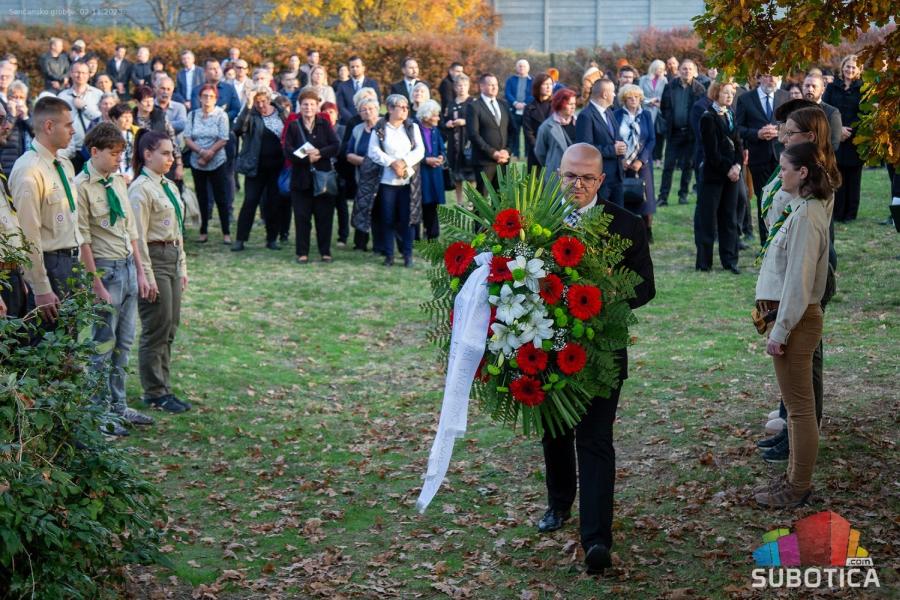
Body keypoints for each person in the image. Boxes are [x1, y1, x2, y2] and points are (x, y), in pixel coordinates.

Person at [538, 142, 655, 574]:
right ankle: (558, 503)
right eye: (571, 176)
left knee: (595, 439)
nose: (578, 185)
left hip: (602, 349)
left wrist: (608, 292)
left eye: (587, 178)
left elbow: (646, 287)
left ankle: (596, 539)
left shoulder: (625, 225)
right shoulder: (539, 222)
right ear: (559, 175)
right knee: (554, 431)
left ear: (602, 180)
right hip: (545, 348)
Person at [753, 141, 838, 508]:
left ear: (803, 173)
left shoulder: (807, 216)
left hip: (797, 319)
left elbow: (799, 282)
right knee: (796, 404)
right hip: (788, 316)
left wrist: (781, 329)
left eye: (785, 168)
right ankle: (791, 479)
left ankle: (798, 485)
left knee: (800, 410)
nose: (779, 174)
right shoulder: (799, 206)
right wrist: (780, 188)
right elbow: (771, 214)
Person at [75, 123, 154, 434]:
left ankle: (118, 405)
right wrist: (96, 284)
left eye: (122, 153)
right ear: (94, 152)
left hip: (127, 268)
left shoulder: (119, 181)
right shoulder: (81, 186)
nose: (119, 159)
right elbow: (82, 240)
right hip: (105, 271)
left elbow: (131, 231)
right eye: (114, 153)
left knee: (124, 341)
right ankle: (98, 411)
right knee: (102, 344)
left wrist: (141, 271)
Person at [128, 130, 190, 414]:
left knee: (170, 324)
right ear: (147, 154)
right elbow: (137, 238)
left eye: (172, 153)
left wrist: (183, 265)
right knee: (157, 325)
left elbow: (177, 229)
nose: (171, 158)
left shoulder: (169, 185)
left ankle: (164, 386)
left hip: (171, 255)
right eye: (165, 153)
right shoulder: (140, 189)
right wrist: (147, 275)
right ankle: (154, 391)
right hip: (153, 257)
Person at [9, 97, 82, 326]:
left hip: (69, 262)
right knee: (48, 347)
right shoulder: (29, 170)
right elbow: (27, 237)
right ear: (49, 126)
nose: (73, 130)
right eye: (68, 125)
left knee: (70, 347)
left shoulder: (64, 163)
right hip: (48, 266)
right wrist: (40, 287)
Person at [367, 94, 424, 267]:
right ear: (390, 109)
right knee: (388, 218)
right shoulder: (380, 127)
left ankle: (407, 255)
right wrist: (392, 163)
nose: (405, 110)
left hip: (407, 181)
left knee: (407, 218)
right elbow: (373, 150)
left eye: (407, 107)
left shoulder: (412, 127)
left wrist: (403, 163)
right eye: (401, 106)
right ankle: (389, 254)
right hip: (387, 182)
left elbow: (420, 150)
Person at [284, 90, 340, 264]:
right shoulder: (294, 126)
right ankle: (302, 252)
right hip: (301, 178)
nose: (308, 107)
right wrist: (305, 157)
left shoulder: (324, 123)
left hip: (322, 177)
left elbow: (336, 145)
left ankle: (325, 251)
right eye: (305, 104)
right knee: (302, 217)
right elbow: (287, 150)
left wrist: (319, 153)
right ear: (300, 107)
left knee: (324, 217)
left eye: (312, 104)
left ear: (317, 107)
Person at [736, 72, 789, 245]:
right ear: (759, 78)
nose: (771, 79)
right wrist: (756, 133)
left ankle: (783, 240)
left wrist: (779, 131)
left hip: (782, 158)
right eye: (767, 75)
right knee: (764, 200)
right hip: (758, 157)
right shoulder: (746, 99)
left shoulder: (785, 96)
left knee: (784, 198)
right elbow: (738, 128)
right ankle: (766, 244)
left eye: (774, 75)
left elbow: (793, 123)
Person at [696, 82, 743, 273]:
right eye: (726, 92)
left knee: (729, 218)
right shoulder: (708, 117)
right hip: (713, 176)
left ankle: (730, 261)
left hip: (732, 175)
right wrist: (729, 169)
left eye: (732, 92)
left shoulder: (731, 114)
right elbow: (711, 152)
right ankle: (704, 263)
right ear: (716, 93)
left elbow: (739, 144)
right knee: (707, 220)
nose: (730, 96)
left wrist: (738, 166)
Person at [233, 85, 286, 251]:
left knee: (273, 203)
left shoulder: (281, 113)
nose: (261, 105)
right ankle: (240, 239)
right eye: (257, 102)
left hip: (277, 167)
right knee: (250, 201)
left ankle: (272, 239)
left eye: (263, 101)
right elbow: (238, 129)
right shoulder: (251, 114)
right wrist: (248, 107)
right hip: (255, 167)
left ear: (269, 99)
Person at [183, 84, 231, 244]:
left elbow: (224, 138)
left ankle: (226, 232)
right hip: (197, 161)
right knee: (202, 197)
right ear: (199, 98)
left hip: (217, 161)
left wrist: (209, 154)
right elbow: (187, 137)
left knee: (221, 197)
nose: (207, 99)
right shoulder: (193, 115)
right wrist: (201, 153)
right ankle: (203, 231)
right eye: (204, 96)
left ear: (216, 98)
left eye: (211, 96)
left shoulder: (221, 115)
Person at [658, 59, 706, 206]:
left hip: (691, 134)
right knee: (668, 166)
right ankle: (663, 197)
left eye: (690, 69)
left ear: (695, 71)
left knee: (688, 165)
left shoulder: (700, 89)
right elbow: (663, 107)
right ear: (679, 70)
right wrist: (668, 120)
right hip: (674, 133)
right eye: (684, 69)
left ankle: (683, 195)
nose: (687, 71)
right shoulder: (670, 86)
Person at [824, 57, 863, 223]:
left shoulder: (862, 88)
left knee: (854, 178)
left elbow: (864, 114)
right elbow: (826, 109)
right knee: (837, 176)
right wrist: (838, 129)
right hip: (836, 138)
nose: (850, 70)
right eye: (848, 67)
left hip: (855, 139)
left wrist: (849, 131)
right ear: (842, 67)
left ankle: (851, 214)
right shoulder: (832, 87)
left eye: (854, 68)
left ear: (859, 70)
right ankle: (838, 213)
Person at [614, 83, 656, 237]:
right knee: (624, 197)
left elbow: (652, 139)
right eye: (629, 97)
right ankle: (627, 231)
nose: (633, 100)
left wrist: (641, 160)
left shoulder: (646, 115)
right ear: (624, 99)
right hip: (622, 163)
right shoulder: (616, 115)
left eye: (636, 97)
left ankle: (648, 231)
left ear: (640, 99)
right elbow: (613, 138)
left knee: (646, 200)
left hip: (642, 164)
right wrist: (621, 160)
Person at [575, 79, 625, 207]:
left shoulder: (609, 112)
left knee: (618, 217)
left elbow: (616, 138)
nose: (615, 95)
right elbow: (586, 149)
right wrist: (612, 150)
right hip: (599, 178)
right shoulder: (586, 116)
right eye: (613, 92)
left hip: (617, 176)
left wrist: (622, 146)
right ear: (604, 94)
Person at [0, 100, 27, 320]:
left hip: (12, 273)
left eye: (7, 119)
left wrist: (20, 274)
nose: (7, 126)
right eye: (1, 120)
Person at [344, 97, 381, 250]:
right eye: (363, 110)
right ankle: (360, 243)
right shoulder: (357, 129)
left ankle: (380, 244)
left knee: (380, 209)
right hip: (363, 176)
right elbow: (349, 154)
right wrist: (366, 162)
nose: (367, 112)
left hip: (382, 176)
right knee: (361, 208)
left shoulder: (385, 127)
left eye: (371, 109)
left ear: (378, 110)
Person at [466, 73, 512, 195]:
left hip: (504, 160)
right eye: (491, 84)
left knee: (503, 199)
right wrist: (492, 153)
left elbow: (513, 130)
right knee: (482, 201)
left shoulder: (504, 105)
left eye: (496, 84)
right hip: (484, 161)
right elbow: (473, 134)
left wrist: (507, 151)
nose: (494, 87)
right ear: (482, 86)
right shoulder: (474, 107)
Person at [58, 61, 102, 174]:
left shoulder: (97, 94)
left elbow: (101, 118)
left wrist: (85, 107)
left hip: (92, 149)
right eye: (77, 72)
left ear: (88, 74)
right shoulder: (62, 96)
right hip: (70, 149)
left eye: (83, 72)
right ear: (71, 74)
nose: (80, 75)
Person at [441, 74, 475, 204]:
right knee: (457, 176)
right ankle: (459, 202)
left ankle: (472, 201)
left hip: (468, 143)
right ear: (455, 88)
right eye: (459, 86)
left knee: (471, 176)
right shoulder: (450, 104)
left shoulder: (473, 102)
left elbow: (478, 121)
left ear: (468, 86)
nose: (462, 88)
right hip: (454, 144)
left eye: (464, 85)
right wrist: (447, 124)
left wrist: (465, 122)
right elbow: (443, 121)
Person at [416, 100, 446, 241]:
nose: (438, 118)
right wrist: (426, 160)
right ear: (427, 116)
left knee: (434, 204)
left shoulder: (436, 131)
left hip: (435, 173)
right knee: (420, 204)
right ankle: (417, 235)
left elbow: (442, 149)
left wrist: (441, 157)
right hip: (421, 173)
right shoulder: (416, 129)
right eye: (436, 115)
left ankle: (433, 235)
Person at [534, 88, 577, 180]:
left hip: (578, 173)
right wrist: (552, 163)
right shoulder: (546, 127)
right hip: (556, 174)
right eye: (570, 104)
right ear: (560, 104)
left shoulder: (579, 122)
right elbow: (540, 152)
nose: (573, 107)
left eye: (574, 104)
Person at [801, 74, 842, 151]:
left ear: (822, 90)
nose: (810, 89)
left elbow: (834, 144)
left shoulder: (832, 113)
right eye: (807, 86)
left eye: (814, 86)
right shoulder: (794, 109)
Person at [336, 56, 381, 124]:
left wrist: (367, 116)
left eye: (357, 66)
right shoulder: (342, 86)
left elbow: (378, 103)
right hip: (349, 123)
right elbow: (341, 107)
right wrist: (353, 120)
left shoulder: (372, 84)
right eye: (352, 67)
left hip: (370, 122)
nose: (355, 69)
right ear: (349, 69)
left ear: (363, 68)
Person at [523, 74, 553, 170]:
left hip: (553, 152)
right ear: (538, 86)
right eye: (545, 84)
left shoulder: (557, 107)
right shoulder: (529, 108)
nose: (548, 87)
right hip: (535, 152)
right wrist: (539, 148)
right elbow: (528, 132)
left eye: (550, 84)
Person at [638, 60, 667, 163]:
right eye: (659, 68)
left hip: (659, 112)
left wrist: (657, 101)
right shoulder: (643, 79)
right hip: (646, 110)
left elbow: (666, 95)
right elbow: (639, 94)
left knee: (659, 136)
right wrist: (649, 101)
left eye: (662, 69)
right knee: (646, 134)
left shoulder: (664, 80)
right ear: (654, 68)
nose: (661, 71)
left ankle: (658, 158)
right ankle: (645, 156)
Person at [504, 59, 533, 159]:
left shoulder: (532, 81)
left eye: (524, 66)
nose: (522, 68)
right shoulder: (510, 80)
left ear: (528, 68)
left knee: (527, 133)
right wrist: (515, 103)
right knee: (514, 132)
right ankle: (515, 154)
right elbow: (507, 93)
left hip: (527, 111)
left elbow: (533, 94)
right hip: (514, 110)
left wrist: (525, 104)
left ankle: (526, 154)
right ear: (516, 68)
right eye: (520, 66)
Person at [109, 103, 138, 181]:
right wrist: (119, 176)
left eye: (130, 116)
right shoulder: (108, 136)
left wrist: (130, 175)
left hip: (133, 176)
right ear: (114, 119)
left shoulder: (136, 133)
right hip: (114, 176)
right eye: (124, 117)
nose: (128, 120)